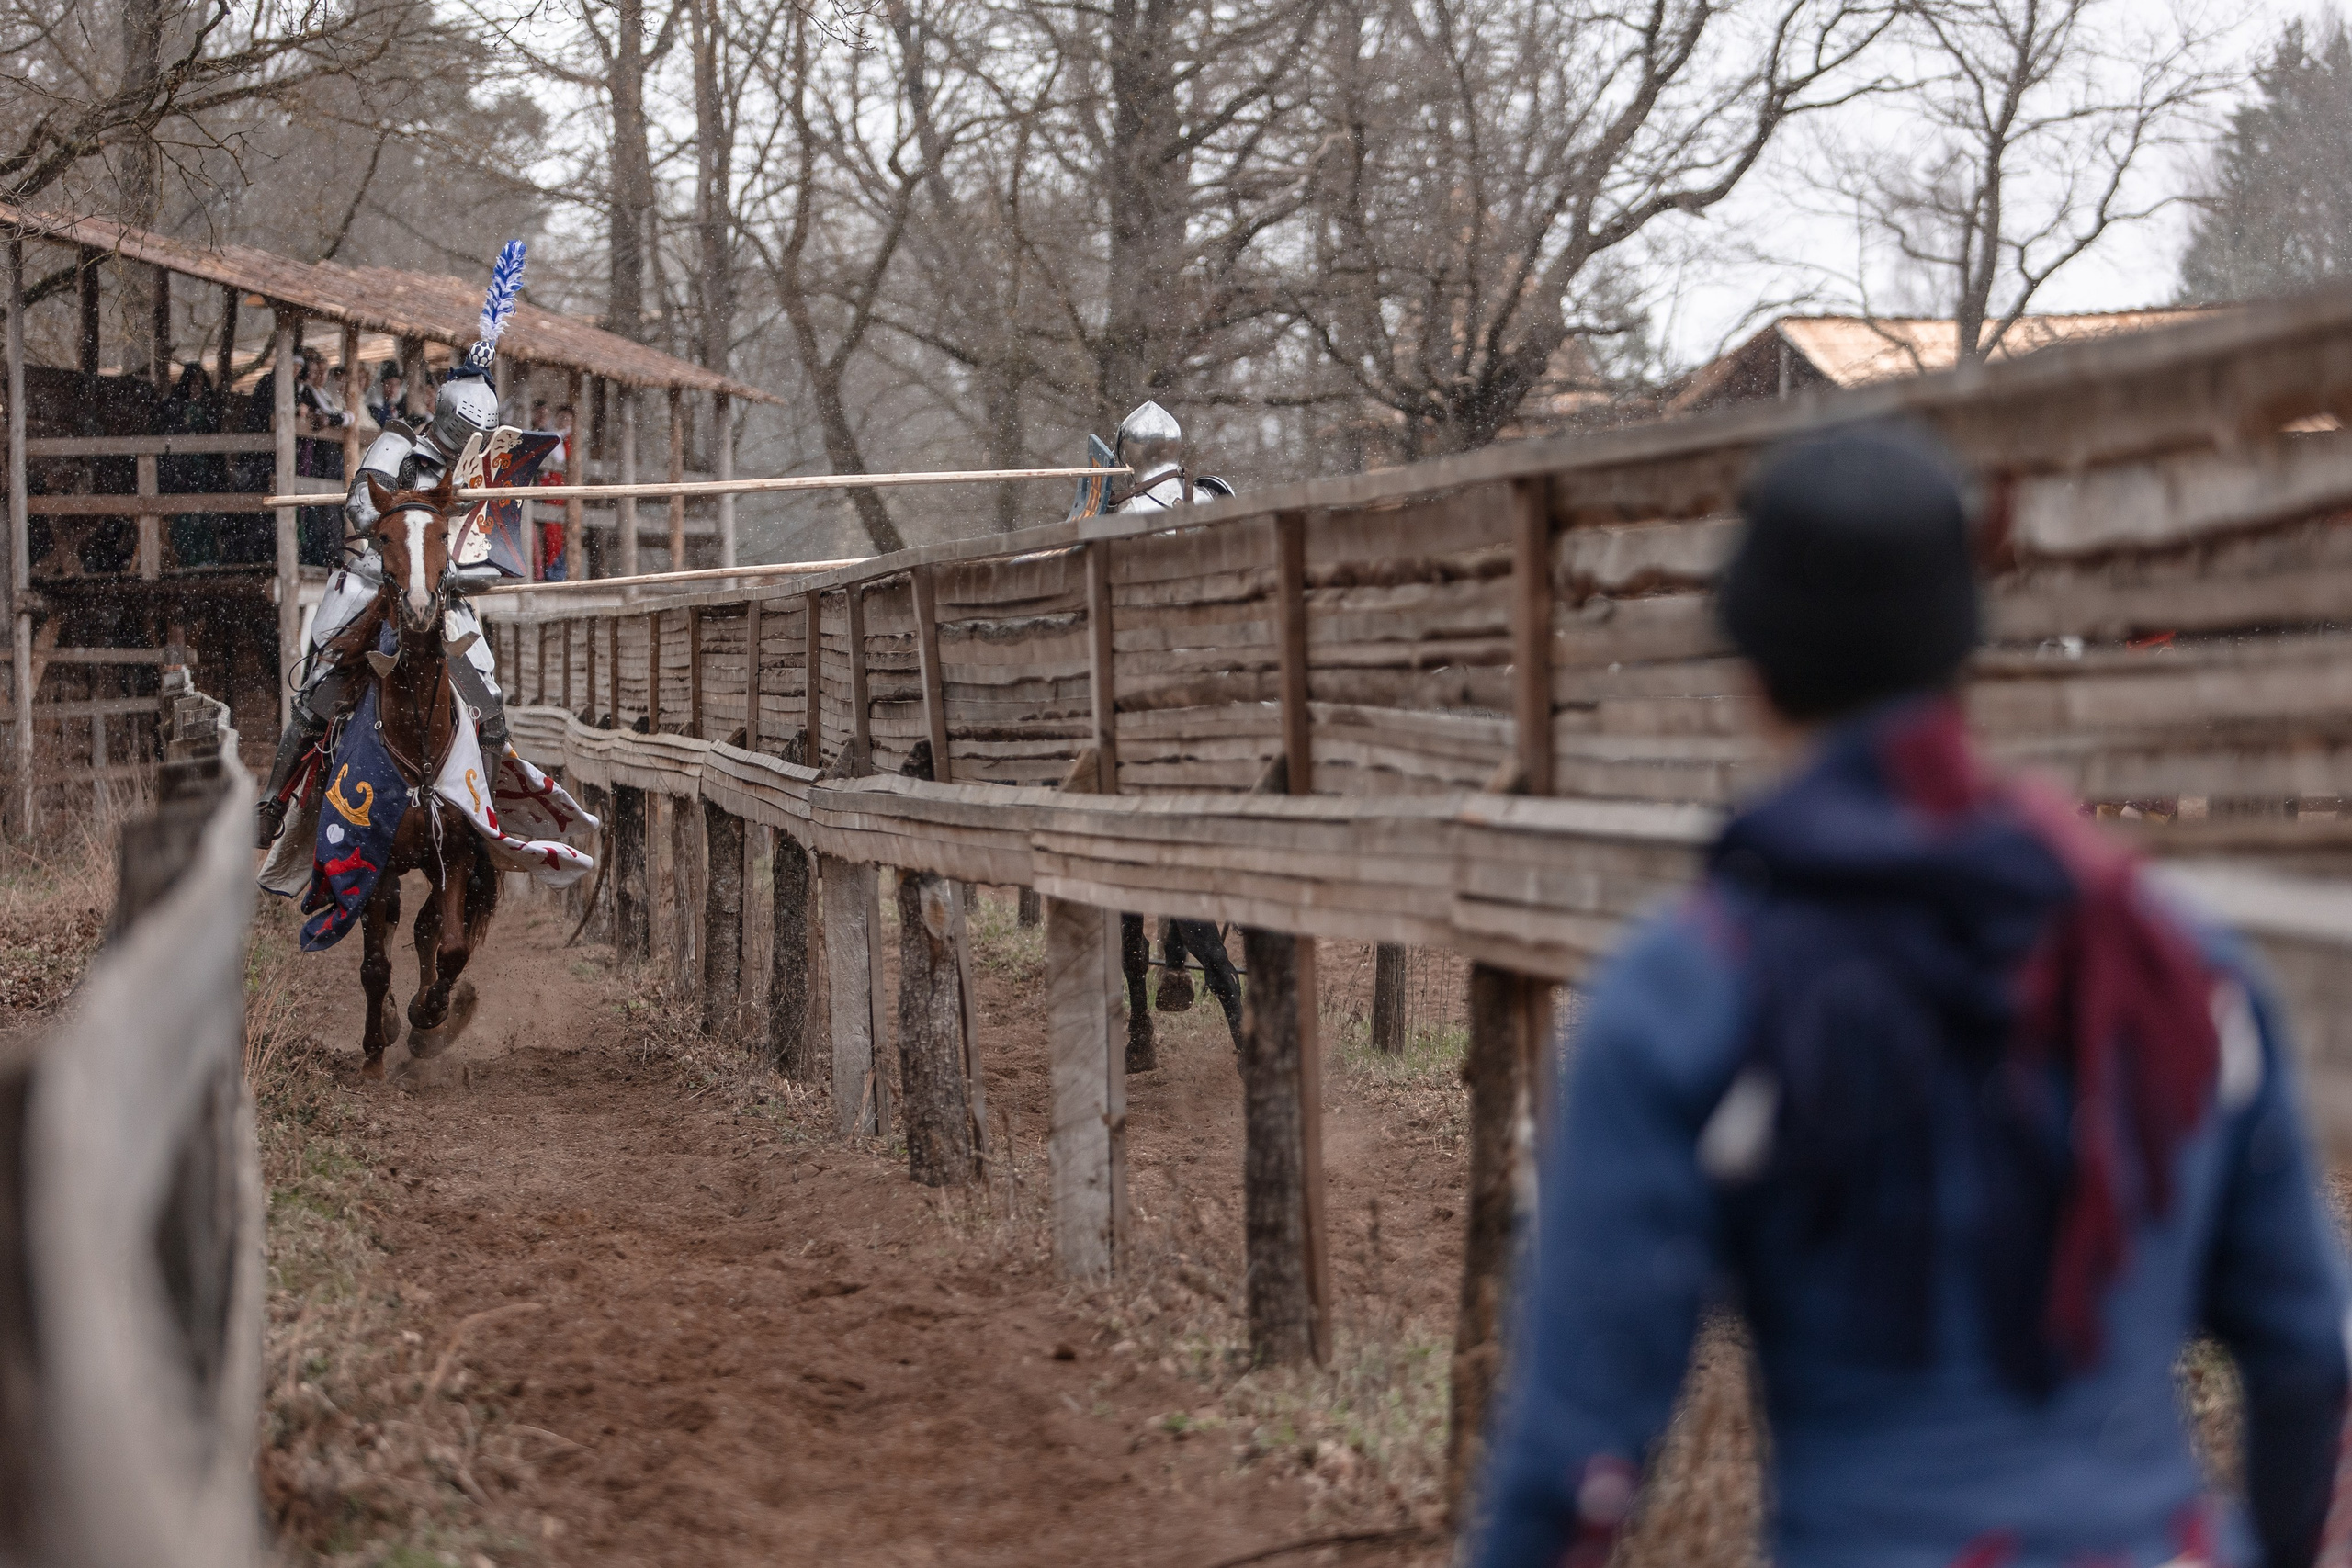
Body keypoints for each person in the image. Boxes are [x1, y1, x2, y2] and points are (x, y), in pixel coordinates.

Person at [1469, 426, 2350, 1568]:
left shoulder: (1691, 991)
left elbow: (1576, 1465)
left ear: (1751, 672)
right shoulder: (2175, 968)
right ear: (1961, 659)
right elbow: (2310, 1362)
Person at [256, 346, 514, 844]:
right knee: (320, 688)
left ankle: (483, 819)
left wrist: (450, 574)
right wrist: (404, 548)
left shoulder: (478, 473)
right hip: (375, 579)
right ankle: (274, 801)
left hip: (442, 591)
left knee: (490, 700)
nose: (468, 443)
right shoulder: (398, 447)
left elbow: (486, 547)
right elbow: (360, 505)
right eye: (466, 432)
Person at [368, 361, 406, 431]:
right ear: (381, 384)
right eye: (389, 383)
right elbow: (386, 425)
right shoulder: (374, 407)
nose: (393, 388)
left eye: (396, 384)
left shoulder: (395, 405)